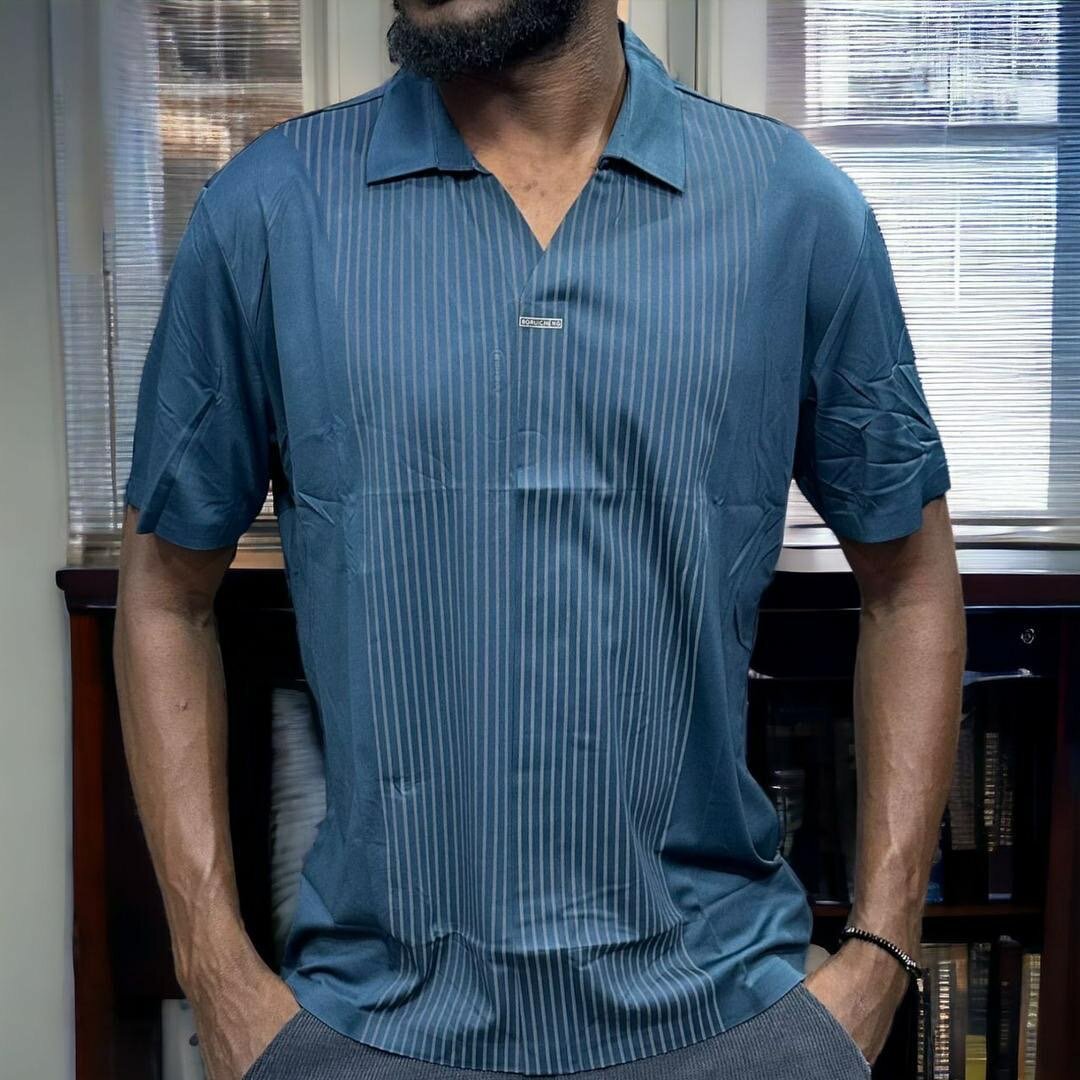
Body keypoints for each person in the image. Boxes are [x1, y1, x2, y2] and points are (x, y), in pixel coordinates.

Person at [114, 1, 966, 1077]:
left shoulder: (791, 208)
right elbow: (164, 593)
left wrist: (881, 951)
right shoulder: (270, 211)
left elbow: (910, 583)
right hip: (370, 1023)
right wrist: (215, 971)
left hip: (724, 1013)